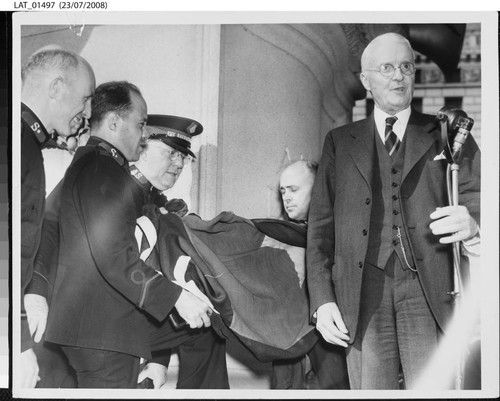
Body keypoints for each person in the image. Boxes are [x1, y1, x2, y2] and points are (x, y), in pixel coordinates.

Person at [306, 32, 480, 390]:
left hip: (431, 292)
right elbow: (320, 230)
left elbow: (479, 197)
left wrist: (475, 226)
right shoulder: (339, 142)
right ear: (365, 80)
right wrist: (322, 301)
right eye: (386, 68)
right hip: (360, 295)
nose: (398, 76)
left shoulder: (446, 133)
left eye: (406, 67)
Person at [43, 81, 228, 388]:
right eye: (170, 152)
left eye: (183, 157)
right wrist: (36, 293)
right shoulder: (103, 171)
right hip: (98, 326)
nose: (179, 163)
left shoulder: (127, 185)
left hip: (111, 318)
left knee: (208, 327)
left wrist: (158, 359)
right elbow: (110, 255)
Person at [20, 48, 95, 388]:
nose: (87, 111)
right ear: (56, 88)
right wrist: (17, 344)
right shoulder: (18, 141)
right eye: (85, 98)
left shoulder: (26, 141)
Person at [270, 160, 349, 389]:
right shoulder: (277, 237)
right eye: (283, 191)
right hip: (287, 342)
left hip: (331, 340)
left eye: (294, 189)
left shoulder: (342, 234)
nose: (286, 197)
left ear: (319, 190)